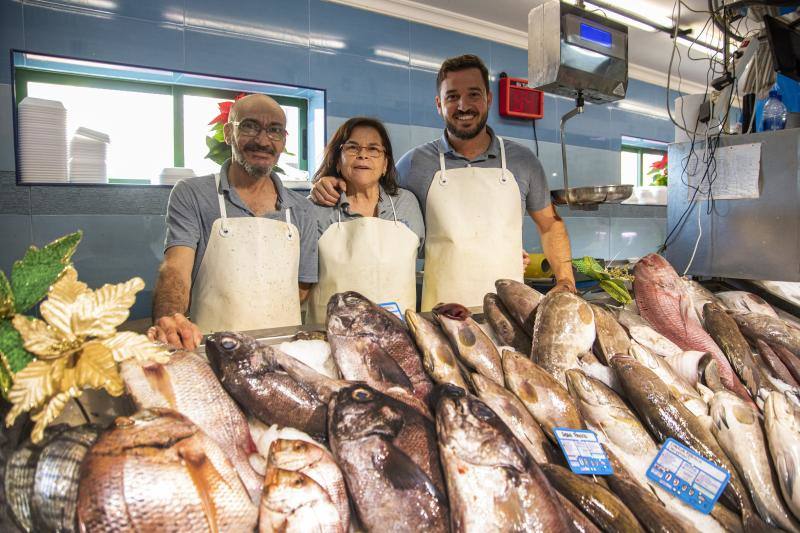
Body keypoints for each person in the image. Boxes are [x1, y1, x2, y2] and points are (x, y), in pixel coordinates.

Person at [312, 54, 575, 310]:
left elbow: (550, 224)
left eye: (473, 94)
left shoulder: (523, 161)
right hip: (442, 314)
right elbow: (369, 191)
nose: (463, 106)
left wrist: (565, 279)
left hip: (508, 309)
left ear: (489, 99)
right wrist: (329, 181)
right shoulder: (414, 163)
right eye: (452, 97)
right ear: (439, 104)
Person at [149, 93, 318, 349]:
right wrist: (170, 318)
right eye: (249, 126)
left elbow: (302, 288)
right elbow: (176, 270)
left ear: (283, 141)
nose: (262, 140)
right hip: (212, 350)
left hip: (283, 352)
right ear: (228, 133)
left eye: (274, 131)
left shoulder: (302, 209)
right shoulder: (193, 194)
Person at [307, 117, 424, 324]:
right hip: (335, 338)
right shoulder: (316, 208)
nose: (363, 155)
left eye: (373, 149)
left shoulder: (407, 204)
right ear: (337, 160)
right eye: (353, 148)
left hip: (397, 337)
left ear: (385, 164)